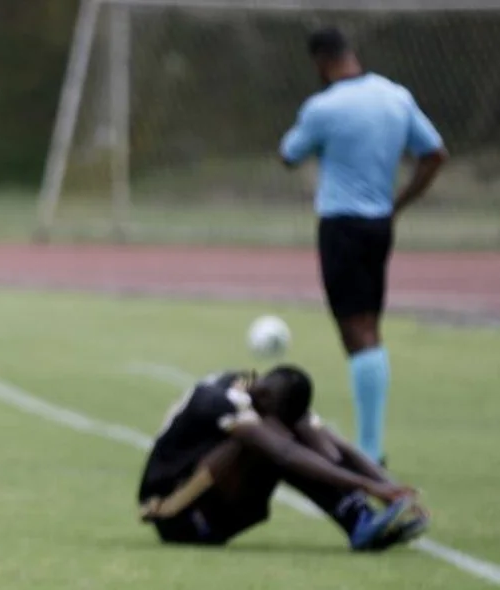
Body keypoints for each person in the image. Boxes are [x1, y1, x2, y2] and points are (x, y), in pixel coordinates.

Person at [279, 27, 449, 465]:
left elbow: (289, 154)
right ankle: (371, 445)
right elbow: (434, 154)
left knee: (358, 335)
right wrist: (400, 202)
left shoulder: (323, 106)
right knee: (369, 328)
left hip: (341, 225)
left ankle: (370, 451)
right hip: (379, 226)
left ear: (320, 62)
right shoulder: (395, 96)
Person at [137, 366, 429, 550]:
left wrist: (389, 486)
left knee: (286, 435)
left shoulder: (262, 393)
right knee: (267, 445)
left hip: (217, 505)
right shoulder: (219, 400)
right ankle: (356, 515)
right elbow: (284, 454)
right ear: (264, 399)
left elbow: (335, 444)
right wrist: (368, 486)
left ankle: (357, 518)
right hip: (177, 517)